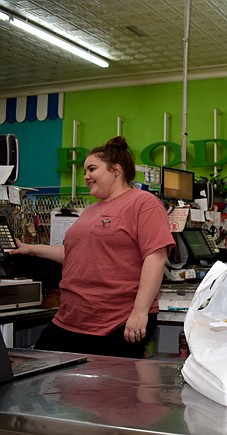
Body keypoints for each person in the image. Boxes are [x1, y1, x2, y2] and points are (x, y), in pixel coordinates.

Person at [11, 136, 175, 358]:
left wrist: (140, 312)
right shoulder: (90, 210)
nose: (86, 176)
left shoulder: (143, 203)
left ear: (116, 170)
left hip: (115, 321)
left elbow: (155, 257)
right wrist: (31, 249)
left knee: (105, 391)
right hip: (71, 317)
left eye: (92, 169)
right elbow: (74, 253)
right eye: (85, 171)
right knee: (42, 376)